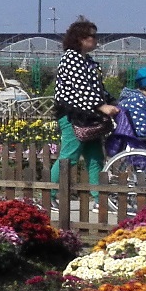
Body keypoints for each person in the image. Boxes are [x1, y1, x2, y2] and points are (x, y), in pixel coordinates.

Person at [52, 18, 117, 187]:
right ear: (80, 39)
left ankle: (98, 196)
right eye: (93, 36)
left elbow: (97, 88)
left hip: (90, 117)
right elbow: (82, 87)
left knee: (95, 157)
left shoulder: (88, 61)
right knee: (69, 156)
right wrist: (101, 106)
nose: (96, 40)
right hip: (73, 115)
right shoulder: (71, 59)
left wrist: (113, 102)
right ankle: (50, 193)